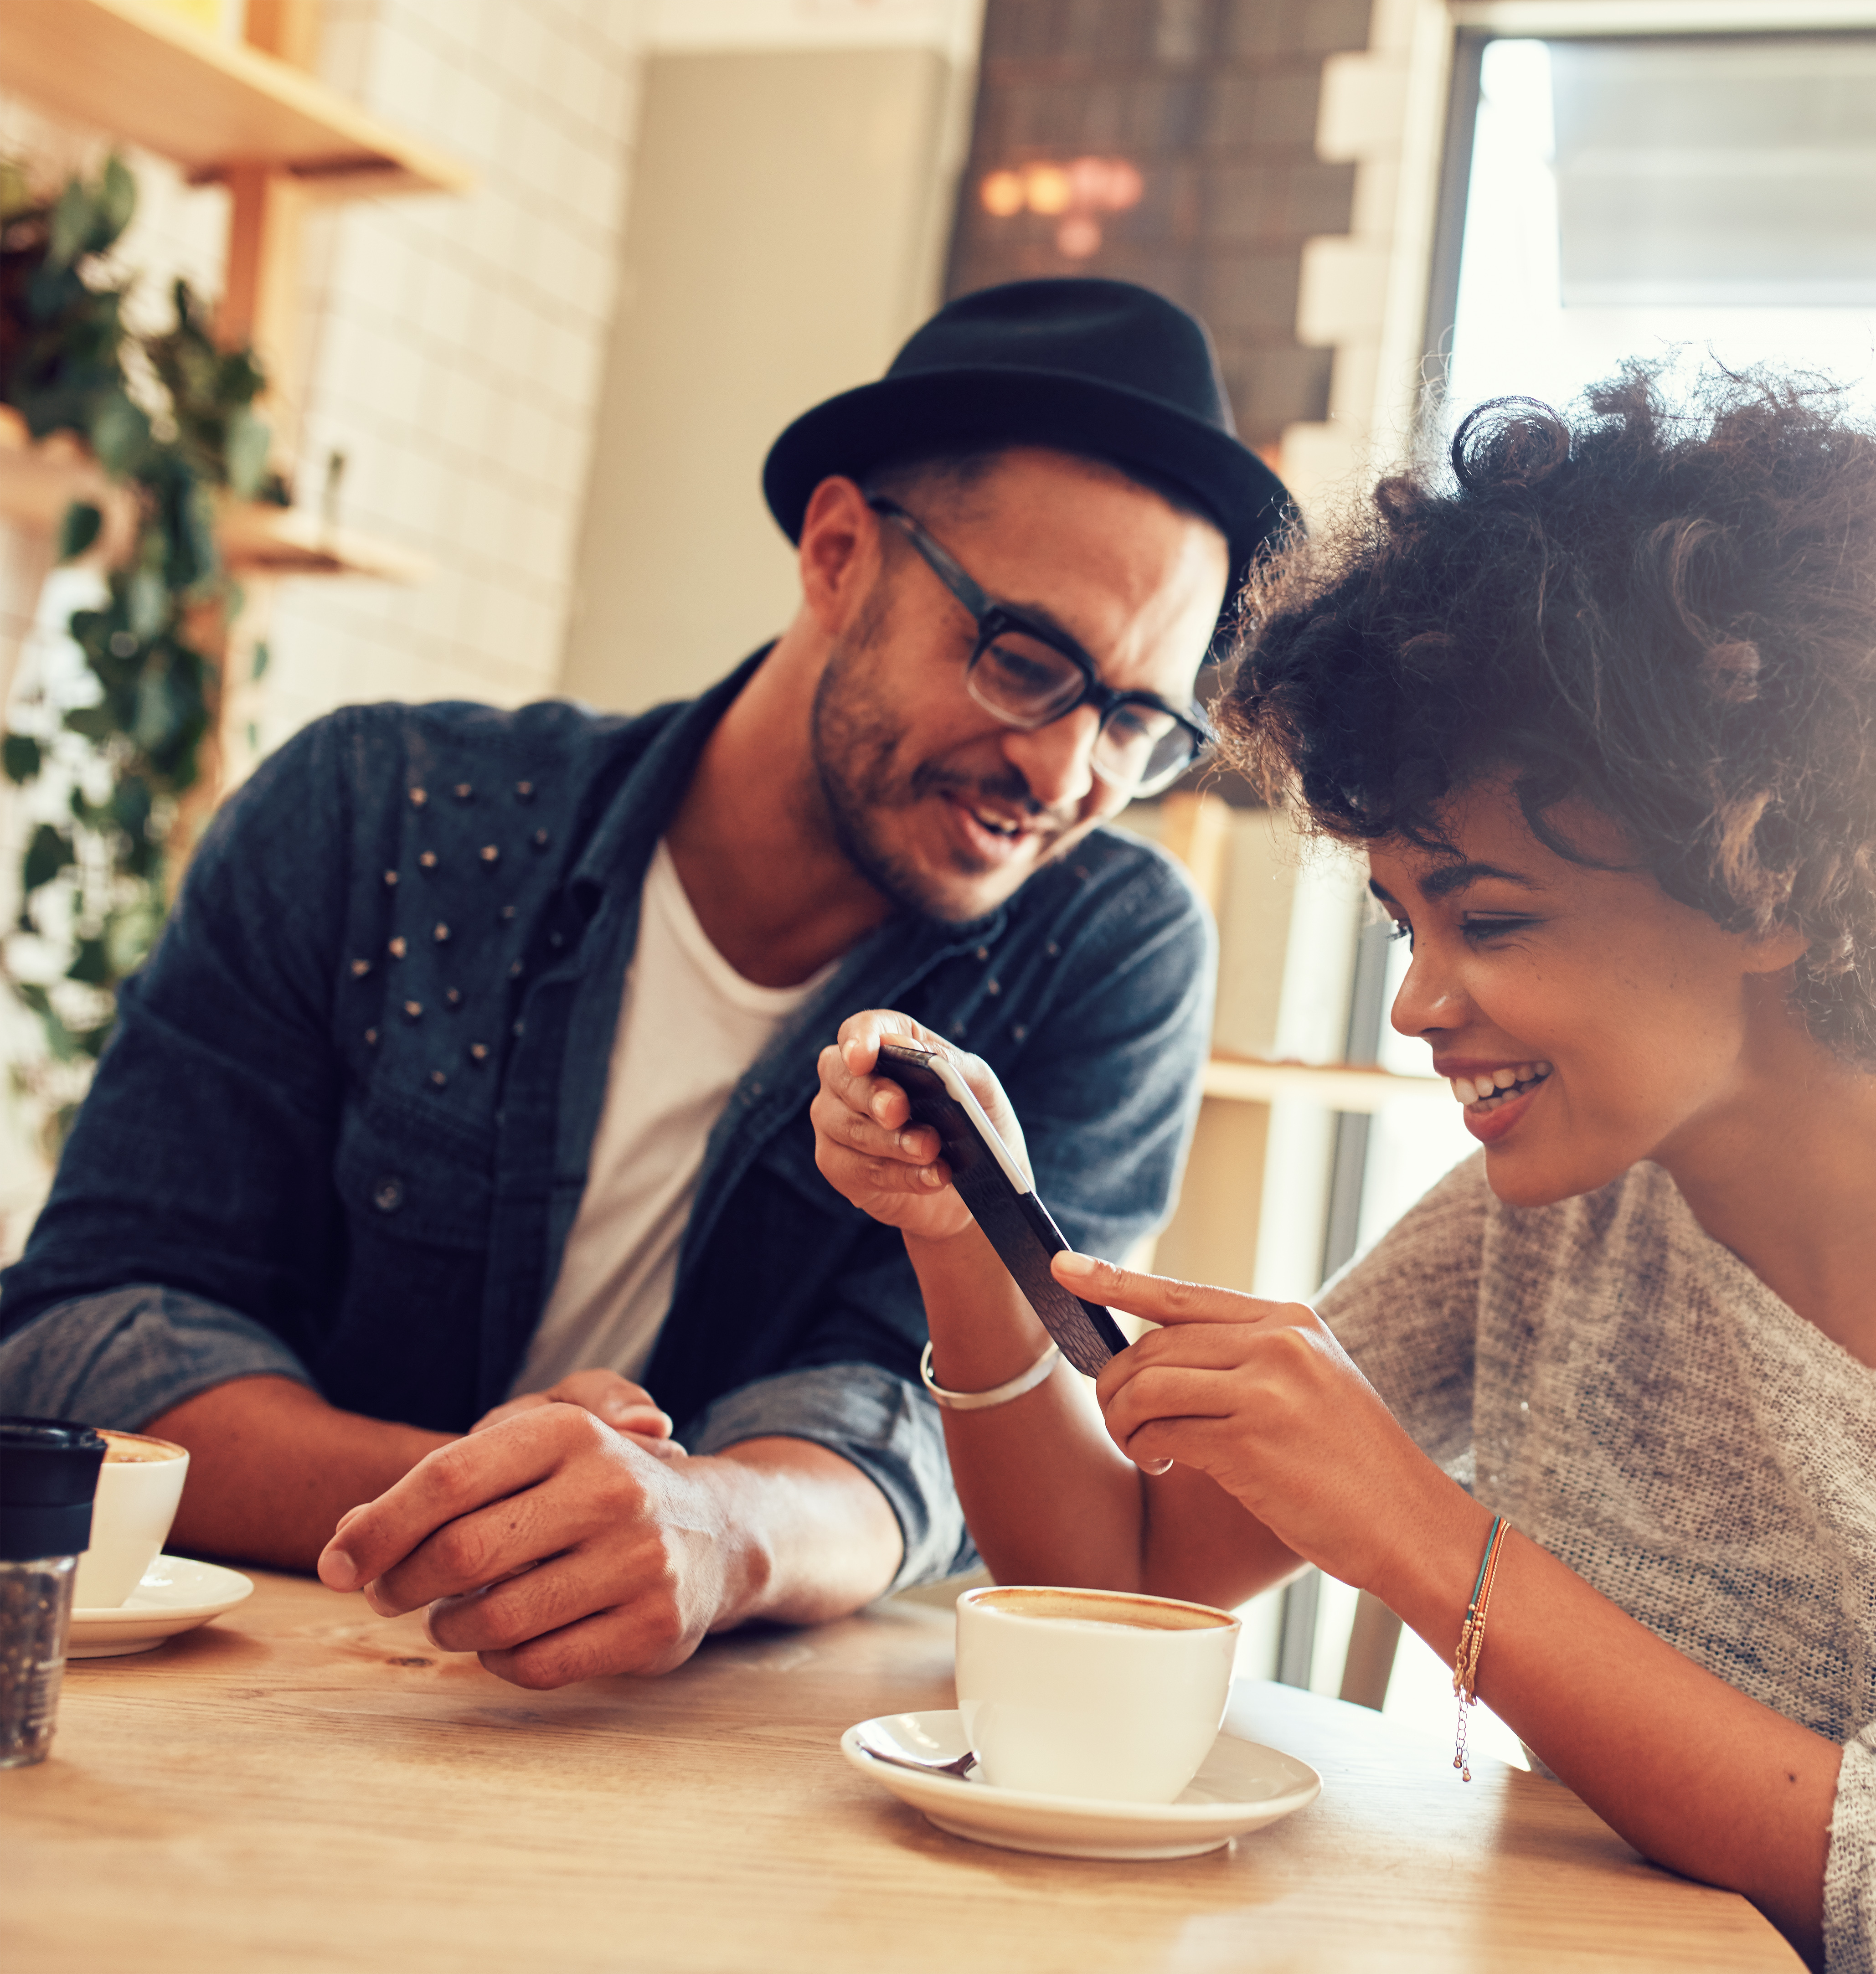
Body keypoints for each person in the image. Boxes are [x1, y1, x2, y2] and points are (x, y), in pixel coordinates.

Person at [810, 369, 1876, 1970]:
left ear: (1772, 878)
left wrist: (1413, 1525)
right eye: (1409, 923)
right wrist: (956, 1238)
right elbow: (1126, 1575)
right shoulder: (1555, 1216)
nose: (1416, 1002)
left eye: (1493, 918)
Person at [0, 278, 1290, 1689]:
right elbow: (85, 1336)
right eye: (1028, 661)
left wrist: (719, 1531)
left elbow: (920, 1425)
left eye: (1136, 723)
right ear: (840, 551)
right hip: (252, 1694)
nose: (1064, 776)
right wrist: (545, 1510)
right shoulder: (379, 812)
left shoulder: (1104, 948)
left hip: (716, 1766)